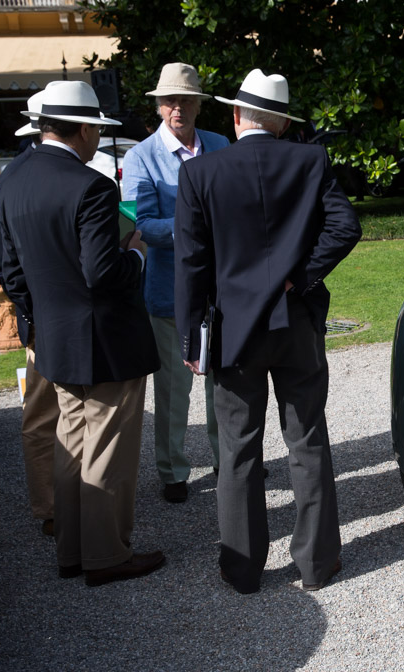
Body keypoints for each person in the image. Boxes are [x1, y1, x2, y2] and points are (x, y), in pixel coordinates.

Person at [174, 69, 361, 594]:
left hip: (235, 329)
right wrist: (298, 279)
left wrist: (193, 338)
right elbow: (346, 226)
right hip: (296, 320)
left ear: (236, 117)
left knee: (238, 449)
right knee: (307, 438)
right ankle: (317, 563)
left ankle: (241, 569)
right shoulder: (310, 161)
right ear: (280, 122)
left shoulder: (200, 174)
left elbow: (190, 262)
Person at [0, 80, 164, 586]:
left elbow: (8, 267)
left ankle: (72, 549)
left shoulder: (13, 177)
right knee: (107, 445)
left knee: (70, 441)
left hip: (54, 337)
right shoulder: (91, 186)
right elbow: (101, 273)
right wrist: (136, 253)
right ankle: (107, 554)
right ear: (86, 129)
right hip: (107, 338)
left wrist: (33, 320)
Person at [122, 63, 230, 504]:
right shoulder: (139, 157)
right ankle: (173, 471)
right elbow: (142, 226)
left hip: (224, 290)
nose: (176, 108)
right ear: (158, 106)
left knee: (224, 385)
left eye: (184, 99)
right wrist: (198, 228)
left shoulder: (222, 146)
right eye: (168, 100)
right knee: (173, 390)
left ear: (199, 104)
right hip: (169, 290)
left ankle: (231, 460)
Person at [0, 88, 60, 537]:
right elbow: (6, 263)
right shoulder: (16, 177)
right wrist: (31, 314)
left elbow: (4, 262)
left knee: (48, 414)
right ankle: (51, 508)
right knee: (42, 413)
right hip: (45, 318)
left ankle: (57, 507)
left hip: (43, 315)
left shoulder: (13, 175)